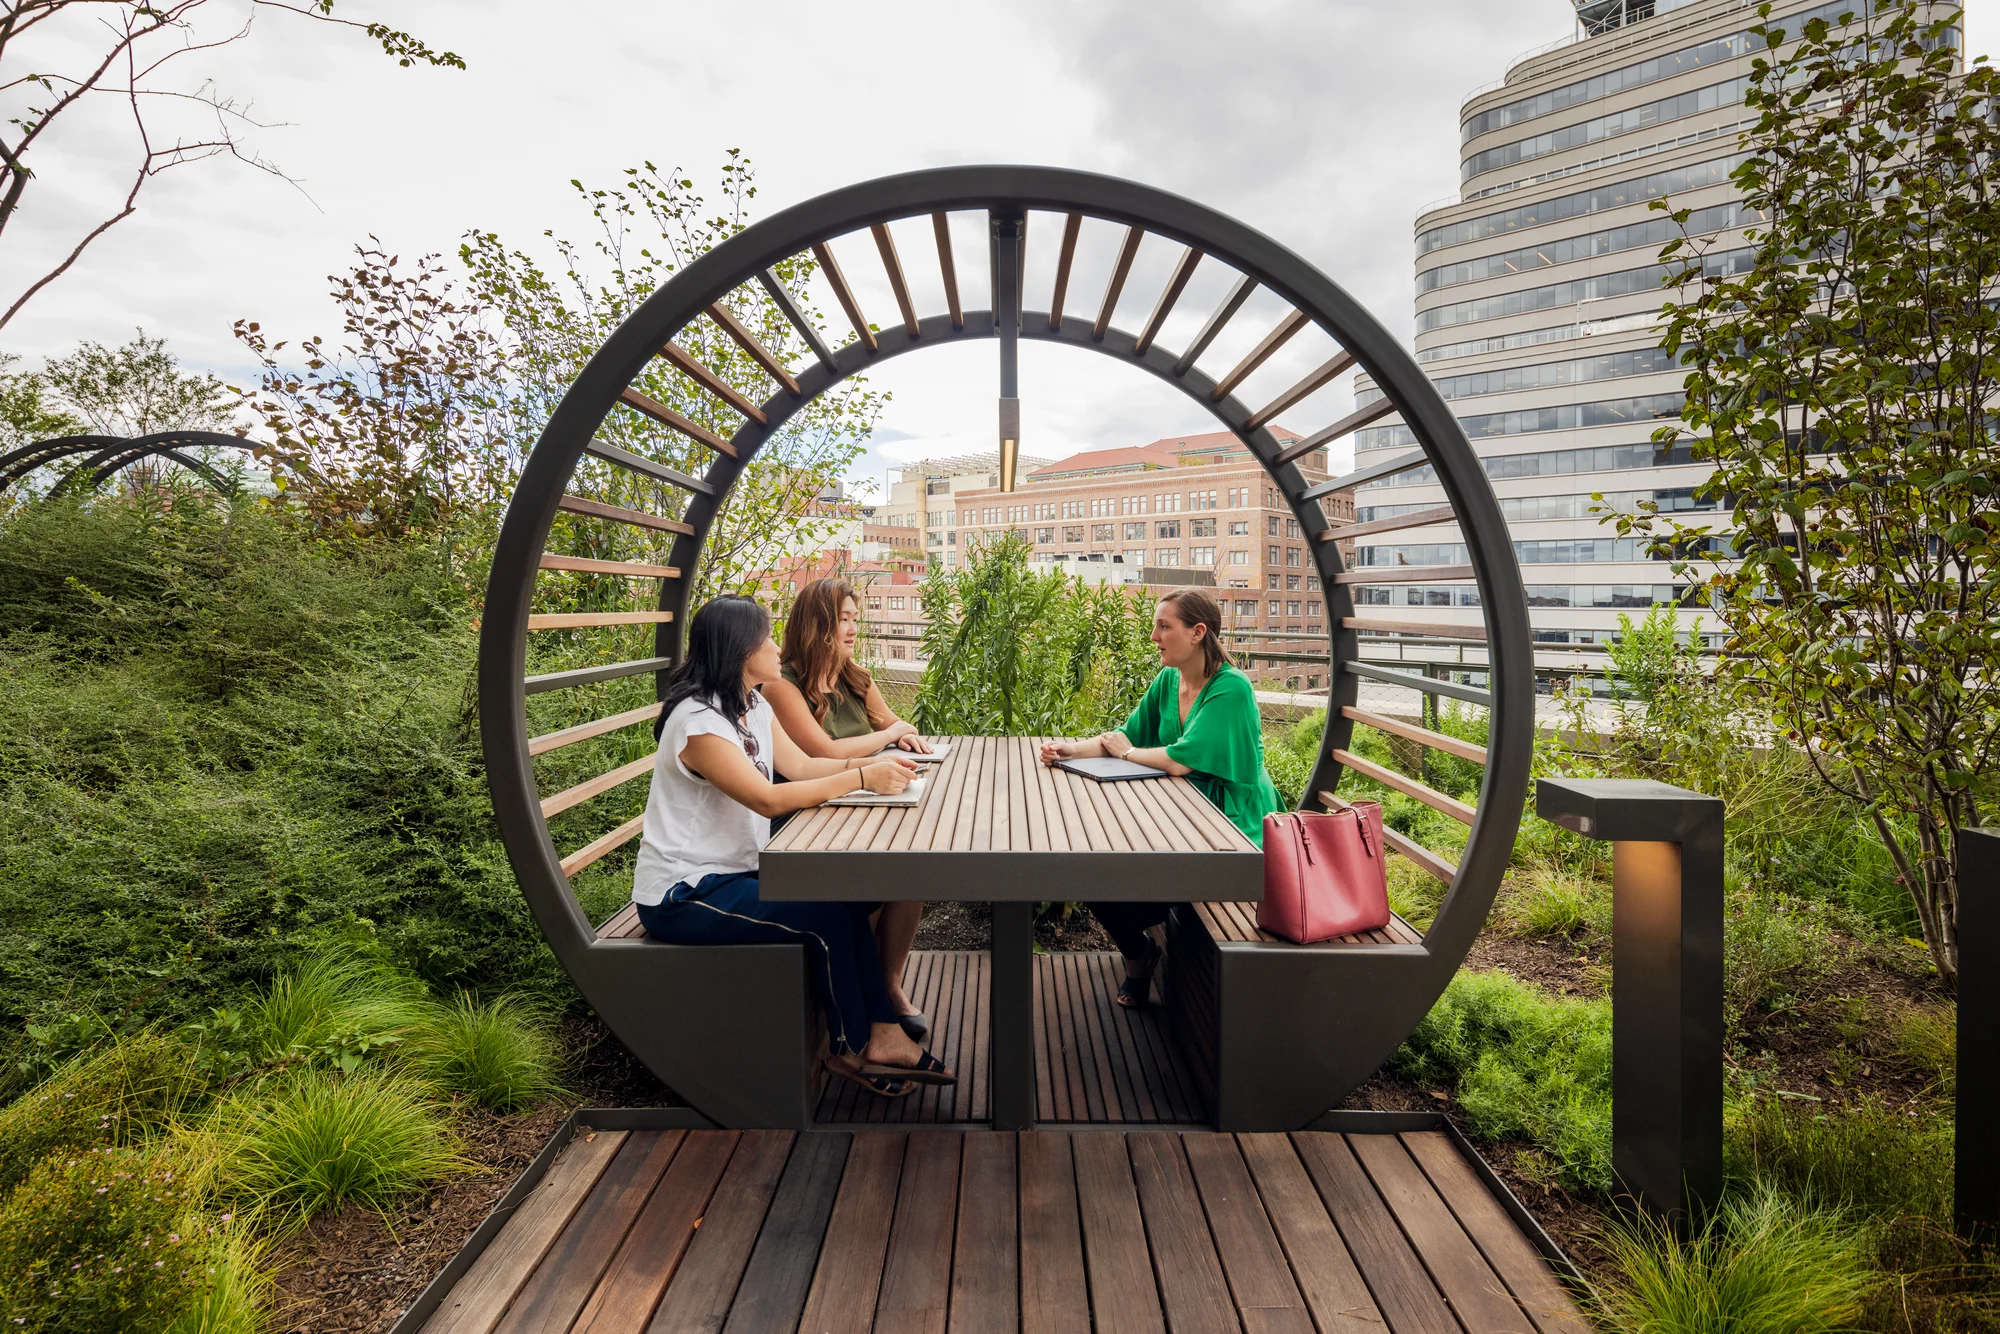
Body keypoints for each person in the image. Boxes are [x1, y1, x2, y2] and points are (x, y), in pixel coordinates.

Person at [632, 595, 955, 1098]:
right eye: (764, 637)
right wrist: (862, 776)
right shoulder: (699, 723)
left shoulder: (752, 704)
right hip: (683, 893)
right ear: (740, 649)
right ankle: (855, 1045)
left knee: (842, 899)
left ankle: (883, 1036)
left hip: (733, 875)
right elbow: (765, 798)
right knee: (824, 917)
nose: (775, 646)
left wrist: (879, 774)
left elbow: (802, 768)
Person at [1038, 588, 1284, 1008]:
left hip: (1231, 831)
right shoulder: (1170, 678)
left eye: (1163, 626)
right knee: (1092, 869)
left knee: (1114, 881)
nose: (1153, 636)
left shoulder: (1232, 688)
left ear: (1197, 633)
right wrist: (1070, 749)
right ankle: (1141, 955)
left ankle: (1139, 961)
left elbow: (1178, 760)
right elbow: (1129, 735)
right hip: (1182, 817)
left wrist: (1128, 753)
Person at [764, 577, 934, 1040]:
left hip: (864, 798)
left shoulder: (854, 675)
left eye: (856, 618)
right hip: (812, 813)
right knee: (871, 877)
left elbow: (898, 723)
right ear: (816, 624)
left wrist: (899, 735)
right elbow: (825, 751)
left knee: (915, 867)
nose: (853, 628)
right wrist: (886, 736)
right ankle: (864, 998)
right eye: (844, 620)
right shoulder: (784, 685)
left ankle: (889, 985)